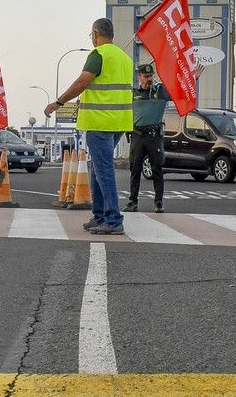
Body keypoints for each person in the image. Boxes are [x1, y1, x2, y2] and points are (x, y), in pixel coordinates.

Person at [45, 18, 134, 235]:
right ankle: (100, 215)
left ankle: (113, 220)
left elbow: (82, 82)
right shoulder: (124, 57)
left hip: (99, 120)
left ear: (96, 33)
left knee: (104, 171)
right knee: (98, 169)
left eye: (91, 35)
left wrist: (58, 102)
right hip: (119, 122)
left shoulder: (98, 54)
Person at [125, 63, 169, 213]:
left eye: (150, 76)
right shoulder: (132, 93)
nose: (149, 79)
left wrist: (193, 79)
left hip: (153, 135)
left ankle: (158, 202)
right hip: (137, 135)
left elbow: (179, 92)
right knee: (135, 169)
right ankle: (133, 202)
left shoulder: (160, 92)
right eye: (145, 76)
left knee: (157, 168)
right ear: (139, 77)